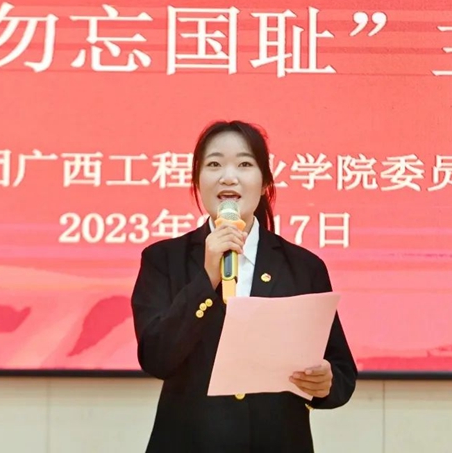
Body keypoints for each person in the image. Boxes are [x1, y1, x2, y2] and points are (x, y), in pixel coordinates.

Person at [131, 120, 357, 453]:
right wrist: (206, 279)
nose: (228, 176)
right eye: (214, 164)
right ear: (197, 180)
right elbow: (156, 358)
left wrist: (324, 383)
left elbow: (341, 373)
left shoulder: (304, 268)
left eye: (244, 164)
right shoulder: (163, 259)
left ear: (265, 182)